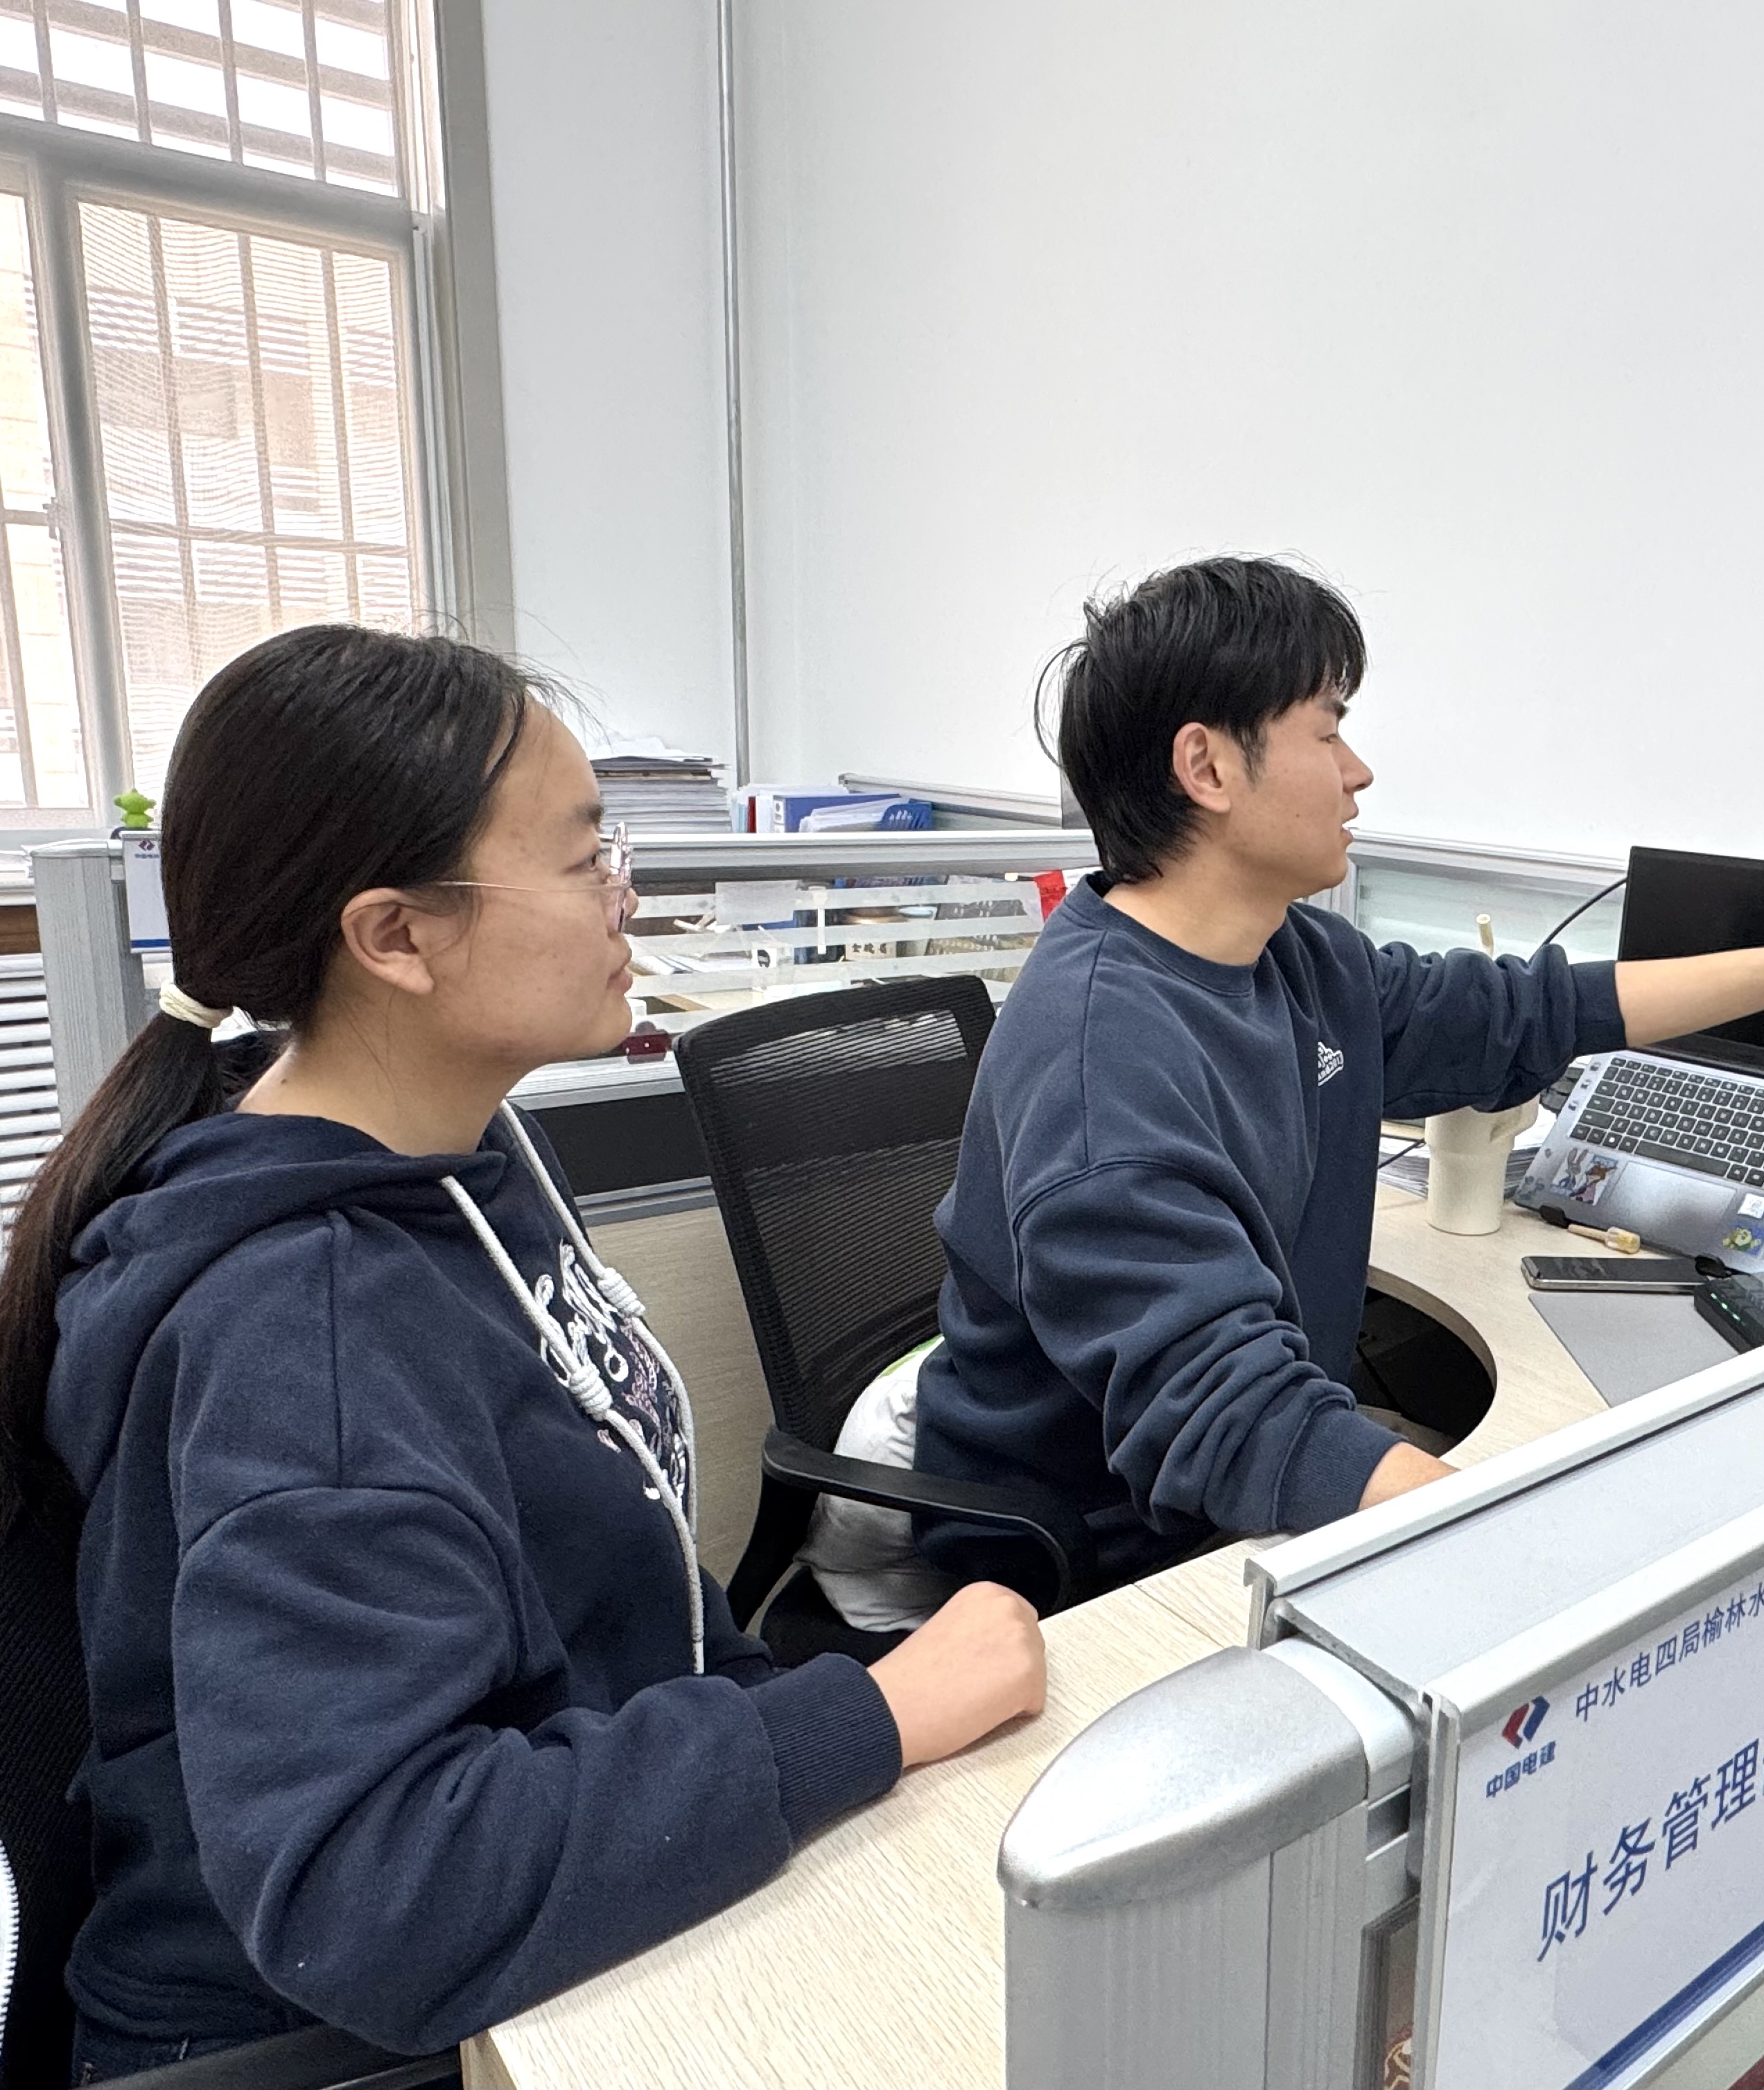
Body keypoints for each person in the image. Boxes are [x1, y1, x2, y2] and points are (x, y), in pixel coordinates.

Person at [0, 627, 1046, 2079]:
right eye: (580, 856)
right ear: (395, 937)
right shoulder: (303, 1332)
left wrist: (789, 1723)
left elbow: (603, 1538)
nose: (627, 892)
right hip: (331, 2042)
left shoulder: (457, 1150)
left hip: (563, 1922)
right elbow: (377, 1892)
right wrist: (860, 1716)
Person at [805, 557, 1764, 1622]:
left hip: (1209, 1490)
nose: (1358, 771)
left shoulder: (1293, 958)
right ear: (1206, 765)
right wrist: (1544, 1565)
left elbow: (1532, 1013)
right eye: (1328, 731)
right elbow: (1231, 1421)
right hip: (1084, 1566)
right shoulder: (1103, 1055)